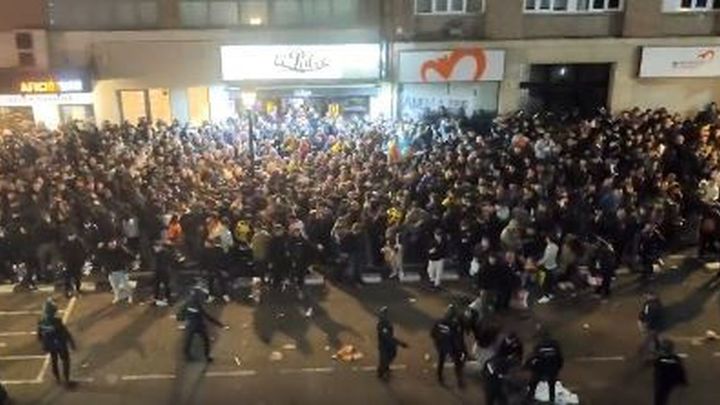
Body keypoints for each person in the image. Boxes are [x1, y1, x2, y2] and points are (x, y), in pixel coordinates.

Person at [178, 288, 229, 362]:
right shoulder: (197, 305)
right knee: (205, 341)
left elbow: (180, 315)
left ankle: (189, 357)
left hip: (192, 326)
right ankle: (206, 356)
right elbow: (207, 316)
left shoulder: (187, 304)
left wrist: (183, 319)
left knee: (188, 342)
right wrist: (220, 325)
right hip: (199, 326)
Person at [37, 298, 76, 387]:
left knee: (54, 361)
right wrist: (71, 343)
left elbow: (39, 335)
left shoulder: (41, 321)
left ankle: (57, 379)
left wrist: (43, 345)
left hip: (50, 345)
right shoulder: (57, 321)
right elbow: (65, 333)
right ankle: (66, 380)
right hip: (60, 345)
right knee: (65, 361)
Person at [431, 305, 466, 388]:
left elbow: (433, 334)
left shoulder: (439, 322)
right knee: (457, 363)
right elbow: (458, 338)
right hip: (451, 347)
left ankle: (440, 377)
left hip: (442, 346)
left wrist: (438, 342)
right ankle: (459, 381)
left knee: (441, 360)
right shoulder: (454, 325)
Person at [525, 332, 564, 404]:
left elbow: (534, 357)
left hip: (540, 368)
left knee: (533, 384)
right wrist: (558, 367)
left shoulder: (540, 345)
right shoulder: (555, 345)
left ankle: (529, 399)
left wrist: (528, 366)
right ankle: (552, 400)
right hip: (552, 369)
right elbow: (560, 358)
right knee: (551, 385)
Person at [98, 238, 134, 304]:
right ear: (108, 244)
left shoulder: (121, 250)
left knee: (125, 285)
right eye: (110, 243)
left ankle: (130, 296)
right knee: (114, 286)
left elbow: (130, 256)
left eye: (113, 242)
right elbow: (99, 256)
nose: (112, 244)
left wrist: (128, 265)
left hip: (121, 271)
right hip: (111, 272)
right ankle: (117, 297)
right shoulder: (105, 251)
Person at [376, 306, 407, 381]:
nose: (385, 316)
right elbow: (387, 337)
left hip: (389, 344)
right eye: (384, 314)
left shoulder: (387, 323)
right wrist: (400, 343)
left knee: (391, 356)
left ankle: (384, 369)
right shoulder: (382, 325)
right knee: (385, 359)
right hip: (385, 345)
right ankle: (381, 372)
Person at [654, 339, 688, 405]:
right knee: (662, 395)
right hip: (670, 381)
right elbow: (680, 369)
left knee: (660, 396)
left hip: (664, 381)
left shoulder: (661, 359)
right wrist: (683, 380)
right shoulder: (675, 358)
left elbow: (657, 364)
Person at [60, 232, 86, 298]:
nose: (71, 238)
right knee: (67, 277)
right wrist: (63, 262)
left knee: (77, 276)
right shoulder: (64, 243)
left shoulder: (79, 242)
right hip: (68, 262)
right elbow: (62, 253)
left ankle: (77, 289)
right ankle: (68, 290)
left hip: (77, 262)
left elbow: (83, 252)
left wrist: (82, 261)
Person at [639, 291, 664, 360]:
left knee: (650, 337)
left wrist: (645, 323)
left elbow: (647, 315)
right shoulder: (657, 303)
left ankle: (652, 353)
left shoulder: (649, 304)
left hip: (651, 324)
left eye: (647, 295)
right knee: (654, 337)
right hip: (655, 324)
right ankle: (656, 348)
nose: (646, 297)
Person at [536, 235, 559, 304]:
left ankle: (546, 297)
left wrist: (539, 263)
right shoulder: (556, 246)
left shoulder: (549, 247)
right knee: (551, 282)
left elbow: (546, 258)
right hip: (554, 266)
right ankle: (551, 294)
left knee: (545, 283)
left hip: (548, 267)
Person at [152, 239, 173, 306]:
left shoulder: (162, 254)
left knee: (164, 285)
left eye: (155, 247)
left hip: (163, 272)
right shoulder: (161, 253)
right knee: (160, 285)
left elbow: (162, 264)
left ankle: (166, 298)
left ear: (159, 247)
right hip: (163, 271)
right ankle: (163, 298)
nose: (154, 249)